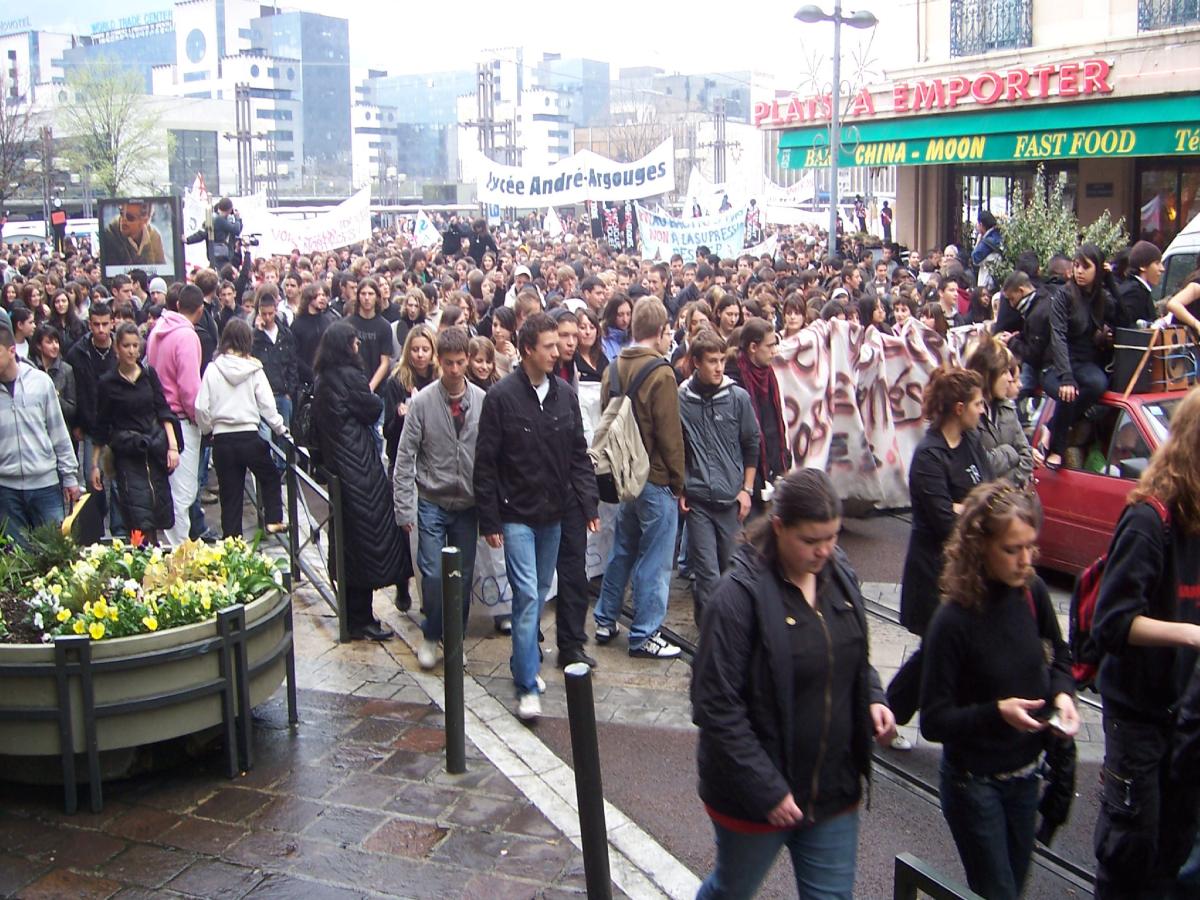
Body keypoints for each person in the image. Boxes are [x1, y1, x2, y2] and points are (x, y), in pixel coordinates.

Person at [691, 468, 896, 899]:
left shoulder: (838, 572)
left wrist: (872, 697)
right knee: (731, 890)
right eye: (811, 541)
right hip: (755, 798)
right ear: (780, 527)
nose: (824, 551)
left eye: (833, 537)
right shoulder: (736, 597)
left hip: (833, 789)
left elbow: (850, 654)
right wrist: (767, 789)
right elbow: (715, 705)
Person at [920, 482, 1079, 900]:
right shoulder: (952, 621)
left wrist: (1063, 696)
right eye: (1012, 549)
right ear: (979, 547)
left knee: (1011, 889)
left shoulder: (1032, 593)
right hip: (975, 784)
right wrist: (996, 712)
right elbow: (934, 720)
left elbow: (1061, 656)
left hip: (1027, 776)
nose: (1025, 560)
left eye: (1030, 547)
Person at [1090, 386, 1200, 898]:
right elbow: (1112, 623)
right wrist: (1190, 634)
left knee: (1173, 846)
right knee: (1131, 851)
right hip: (1136, 713)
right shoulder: (1148, 520)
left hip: (1181, 711)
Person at [473, 312, 599, 721]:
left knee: (541, 590)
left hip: (556, 513)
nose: (559, 350)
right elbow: (486, 462)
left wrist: (588, 503)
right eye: (548, 345)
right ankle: (527, 682)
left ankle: (520, 660)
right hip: (516, 514)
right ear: (528, 350)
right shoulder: (501, 397)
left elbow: (579, 454)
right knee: (527, 596)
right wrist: (489, 519)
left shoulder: (564, 394)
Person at [887, 367, 992, 732]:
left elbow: (990, 496)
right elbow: (944, 521)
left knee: (940, 649)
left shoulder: (972, 442)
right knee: (938, 647)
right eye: (979, 403)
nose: (984, 410)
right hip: (933, 573)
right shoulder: (929, 456)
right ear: (959, 408)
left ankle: (894, 712)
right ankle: (893, 712)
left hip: (965, 569)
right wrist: (967, 509)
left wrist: (966, 506)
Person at [593, 298, 686, 659]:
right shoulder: (662, 373)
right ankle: (645, 634)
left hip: (623, 476)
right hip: (656, 477)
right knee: (655, 560)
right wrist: (679, 481)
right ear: (661, 331)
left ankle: (605, 618)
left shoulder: (613, 368)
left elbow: (606, 418)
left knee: (622, 550)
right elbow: (670, 435)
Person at [393, 328, 485, 670]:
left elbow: (490, 456)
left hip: (468, 503)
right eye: (449, 363)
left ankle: (454, 638)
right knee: (431, 573)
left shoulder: (481, 400)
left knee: (460, 576)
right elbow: (405, 457)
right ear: (439, 362)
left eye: (461, 363)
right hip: (431, 498)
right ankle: (432, 633)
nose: (456, 370)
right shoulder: (422, 403)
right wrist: (404, 507)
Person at [312, 321, 403, 641]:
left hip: (340, 467)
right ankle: (362, 617)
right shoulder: (349, 377)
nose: (356, 348)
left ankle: (353, 615)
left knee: (350, 544)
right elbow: (373, 406)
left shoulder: (322, 379)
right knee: (366, 543)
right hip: (359, 469)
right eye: (353, 343)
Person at [678, 330, 759, 624]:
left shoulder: (737, 397)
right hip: (698, 498)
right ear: (696, 362)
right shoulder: (682, 399)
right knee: (707, 574)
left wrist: (746, 489)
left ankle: (730, 627)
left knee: (731, 570)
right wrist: (681, 487)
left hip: (729, 499)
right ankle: (710, 633)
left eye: (722, 360)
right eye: (712, 361)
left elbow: (752, 442)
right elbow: (678, 446)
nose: (718, 367)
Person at [195, 319, 288, 539]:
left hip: (222, 440)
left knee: (230, 496)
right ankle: (274, 520)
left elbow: (201, 406)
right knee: (270, 476)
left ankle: (232, 546)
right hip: (248, 436)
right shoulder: (254, 368)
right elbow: (266, 404)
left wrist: (208, 428)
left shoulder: (213, 369)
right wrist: (279, 427)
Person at [92, 324, 179, 545]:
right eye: (126, 346)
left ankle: (155, 560)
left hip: (154, 450)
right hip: (127, 452)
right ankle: (141, 559)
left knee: (158, 509)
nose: (131, 351)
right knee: (136, 515)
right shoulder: (107, 382)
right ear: (117, 349)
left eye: (135, 346)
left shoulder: (149, 375)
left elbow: (163, 410)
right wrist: (95, 464)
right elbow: (102, 425)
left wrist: (173, 446)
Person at [0, 327, 81, 547]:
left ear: (11, 351)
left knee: (55, 553)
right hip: (6, 489)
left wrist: (70, 477)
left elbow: (58, 432)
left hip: (45, 484)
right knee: (16, 558)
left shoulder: (40, 382)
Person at [1040, 244, 1119, 470]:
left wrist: (1110, 280)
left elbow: (1125, 316)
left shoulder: (1099, 297)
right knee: (1069, 395)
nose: (1079, 271)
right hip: (1056, 366)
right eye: (1076, 265)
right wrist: (1066, 377)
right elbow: (1058, 337)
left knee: (1099, 383)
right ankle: (1056, 449)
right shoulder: (1063, 296)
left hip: (1083, 365)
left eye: (1086, 266)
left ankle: (1052, 425)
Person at [146, 284, 204, 547]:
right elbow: (190, 388)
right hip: (180, 422)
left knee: (169, 491)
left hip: (159, 418)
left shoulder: (157, 329)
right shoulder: (187, 337)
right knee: (182, 494)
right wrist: (199, 419)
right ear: (200, 310)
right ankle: (179, 554)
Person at [727, 318, 790, 513]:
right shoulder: (733, 380)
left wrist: (782, 462)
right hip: (745, 473)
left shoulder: (768, 374)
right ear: (753, 347)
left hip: (770, 467)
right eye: (769, 346)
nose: (774, 351)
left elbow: (774, 422)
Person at [964, 339, 1033, 487]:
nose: (1010, 378)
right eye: (1004, 372)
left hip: (1013, 501)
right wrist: (1009, 451)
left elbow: (1027, 456)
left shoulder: (1006, 408)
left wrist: (1006, 485)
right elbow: (982, 464)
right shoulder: (968, 414)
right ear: (988, 375)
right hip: (984, 504)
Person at [382, 324, 438, 470]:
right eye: (415, 350)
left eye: (425, 350)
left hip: (432, 458)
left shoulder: (439, 379)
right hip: (403, 459)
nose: (420, 355)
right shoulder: (396, 381)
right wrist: (399, 417)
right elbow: (388, 432)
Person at [30, 325, 76, 431]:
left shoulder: (66, 370)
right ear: (39, 345)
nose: (55, 346)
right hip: (36, 428)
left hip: (59, 429)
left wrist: (55, 396)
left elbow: (71, 409)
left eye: (56, 342)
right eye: (49, 342)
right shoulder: (31, 368)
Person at [292, 282, 337, 388]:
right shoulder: (297, 324)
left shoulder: (329, 321)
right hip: (304, 382)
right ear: (309, 297)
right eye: (318, 295)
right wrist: (311, 374)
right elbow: (294, 355)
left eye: (324, 295)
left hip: (328, 380)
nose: (322, 298)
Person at [101, 199, 166, 267]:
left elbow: (162, 270)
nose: (123, 219)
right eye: (122, 213)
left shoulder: (154, 236)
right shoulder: (110, 234)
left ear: (144, 221)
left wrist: (146, 247)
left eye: (130, 217)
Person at [1116, 240, 1164, 327]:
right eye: (1157, 263)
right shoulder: (1134, 291)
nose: (1162, 268)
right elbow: (1125, 326)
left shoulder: (1138, 288)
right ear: (1142, 266)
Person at [600, 294, 632, 361]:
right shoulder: (602, 341)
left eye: (628, 314)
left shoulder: (635, 339)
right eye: (620, 315)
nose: (625, 320)